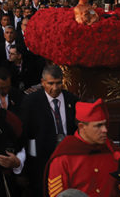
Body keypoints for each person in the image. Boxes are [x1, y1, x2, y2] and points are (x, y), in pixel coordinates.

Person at [22, 64, 78, 197]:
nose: (55, 88)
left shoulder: (72, 100)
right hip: (42, 161)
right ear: (42, 82)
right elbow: (24, 134)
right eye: (50, 83)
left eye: (58, 83)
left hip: (68, 158)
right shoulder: (31, 102)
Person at [45, 99, 120, 197]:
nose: (105, 130)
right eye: (98, 126)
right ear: (81, 127)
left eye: (105, 124)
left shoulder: (112, 150)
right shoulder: (63, 157)